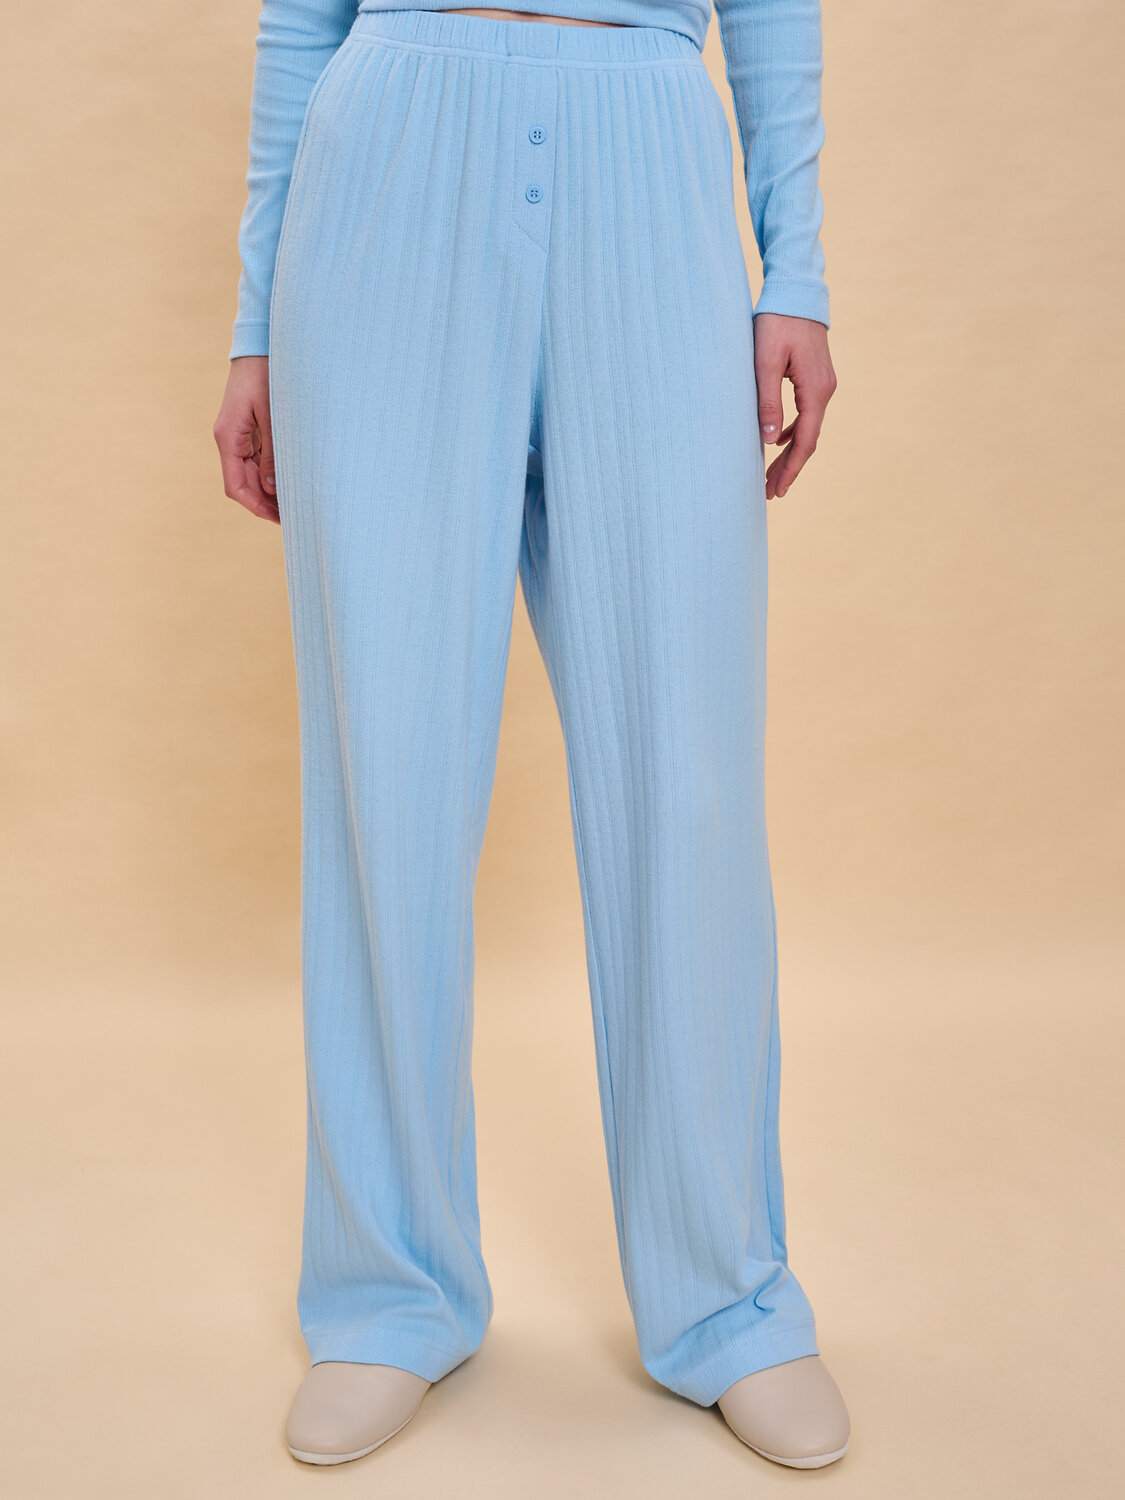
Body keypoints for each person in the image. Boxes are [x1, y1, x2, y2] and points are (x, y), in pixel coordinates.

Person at [213, 0, 846, 1471]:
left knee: (686, 773)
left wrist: (797, 268)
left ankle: (729, 1296)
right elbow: (299, 19)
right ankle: (389, 1291)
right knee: (384, 770)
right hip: (386, 173)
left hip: (650, 162)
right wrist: (253, 319)